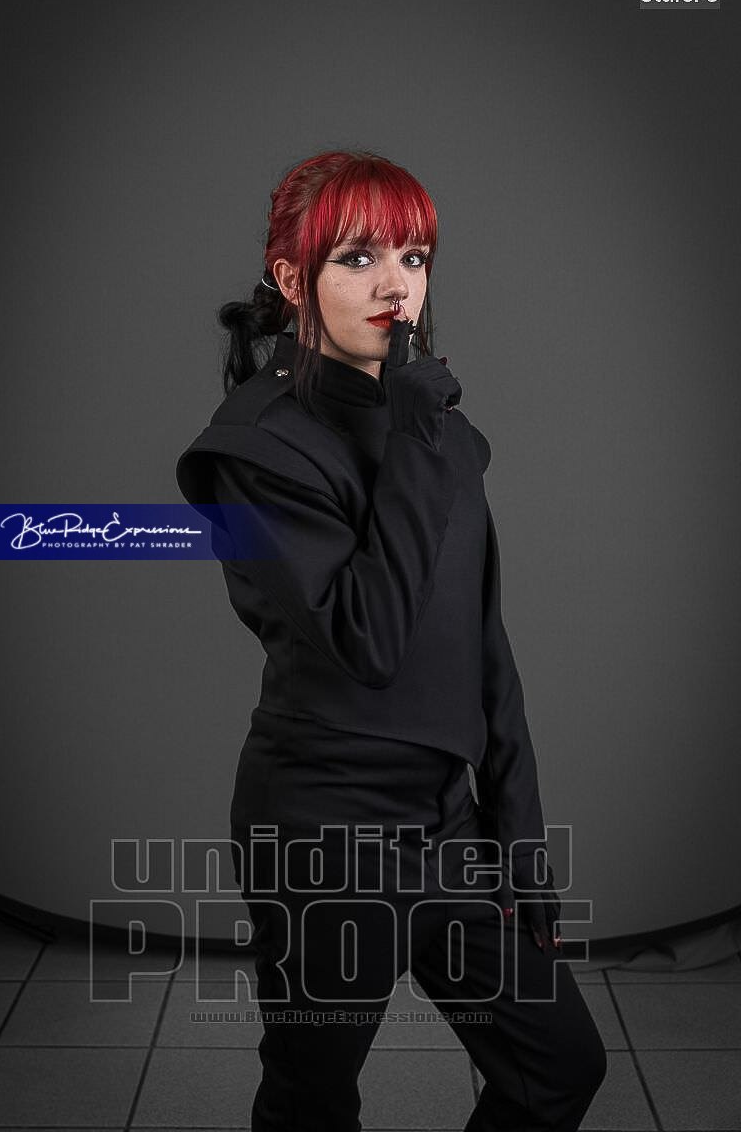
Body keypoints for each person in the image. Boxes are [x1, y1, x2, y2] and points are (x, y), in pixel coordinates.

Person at [176, 149, 607, 1132]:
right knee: (313, 1102)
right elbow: (366, 641)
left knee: (557, 1069)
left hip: (445, 827)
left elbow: (482, 642)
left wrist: (520, 837)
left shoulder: (436, 432)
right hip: (323, 834)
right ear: (292, 279)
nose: (394, 286)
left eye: (413, 257)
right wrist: (415, 439)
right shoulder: (253, 448)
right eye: (358, 256)